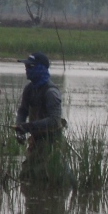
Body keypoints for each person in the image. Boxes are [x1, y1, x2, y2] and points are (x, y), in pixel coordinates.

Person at [15, 52, 69, 185]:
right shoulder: (29, 89)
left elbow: (54, 120)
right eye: (26, 66)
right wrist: (19, 128)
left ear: (40, 69)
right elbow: (23, 111)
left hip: (51, 143)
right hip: (36, 142)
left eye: (30, 66)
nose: (26, 69)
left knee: (45, 179)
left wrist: (28, 127)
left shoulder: (51, 92)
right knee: (26, 177)